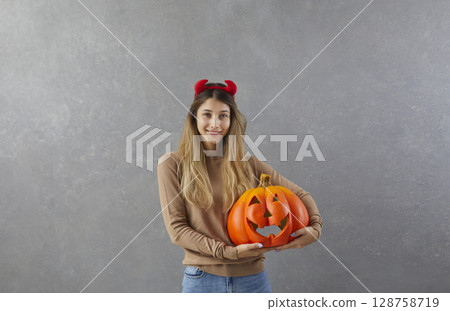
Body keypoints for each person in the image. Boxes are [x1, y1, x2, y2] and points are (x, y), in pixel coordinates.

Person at [157, 79, 323, 293]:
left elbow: (299, 194)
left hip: (252, 280)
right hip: (202, 281)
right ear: (194, 118)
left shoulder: (247, 163)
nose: (215, 124)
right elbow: (177, 230)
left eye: (223, 116)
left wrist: (316, 228)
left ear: (231, 120)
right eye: (207, 114)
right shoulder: (172, 164)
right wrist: (229, 253)